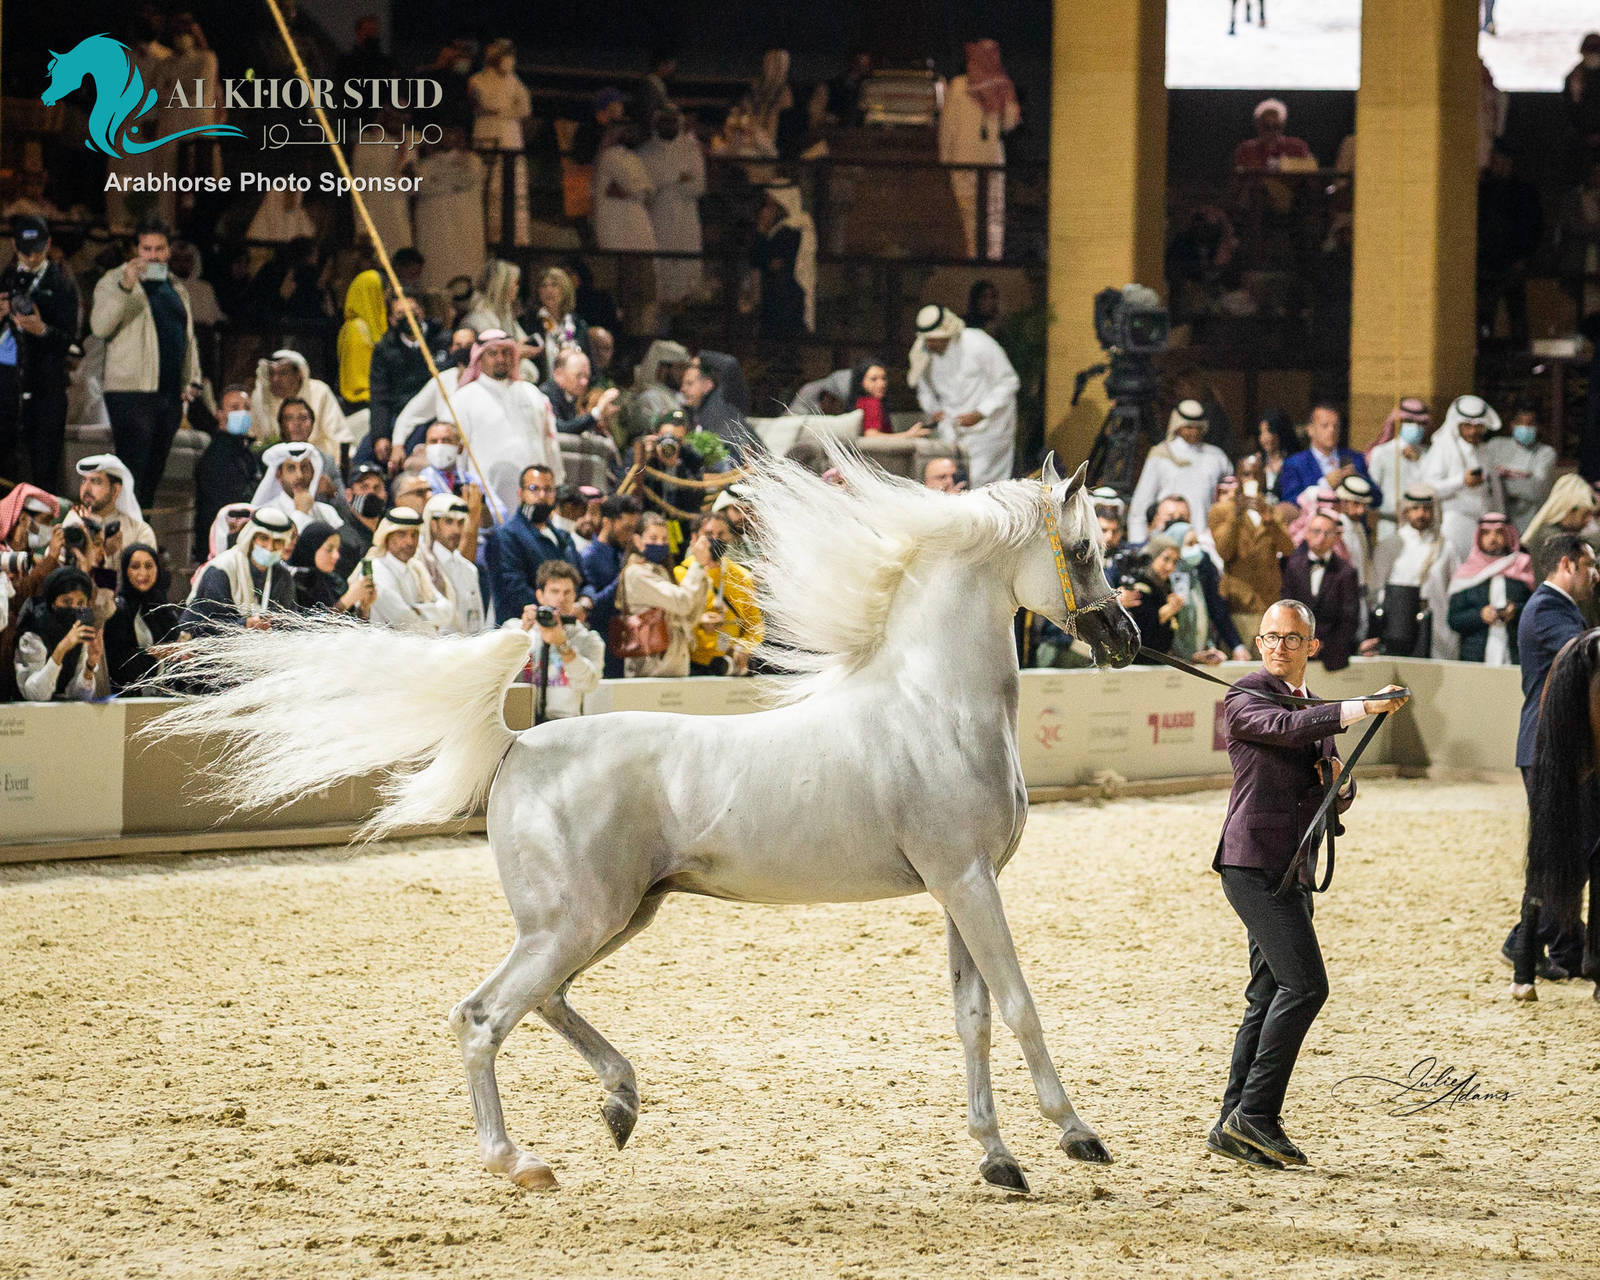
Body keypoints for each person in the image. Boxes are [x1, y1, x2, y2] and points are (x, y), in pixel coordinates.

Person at [1207, 598, 1408, 1170]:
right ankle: (1257, 1115)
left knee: (1269, 992)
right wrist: (1361, 706)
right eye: (1271, 637)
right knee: (1306, 987)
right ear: (1259, 643)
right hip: (1252, 864)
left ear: (1311, 646)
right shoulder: (1245, 696)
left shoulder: (1313, 706)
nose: (1279, 646)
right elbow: (1284, 728)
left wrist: (1340, 787)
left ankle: (1232, 1122)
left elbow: (1326, 778)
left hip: (1291, 866)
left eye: (1292, 638)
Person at [1506, 533, 1598, 987]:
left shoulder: (1560, 609)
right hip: (1547, 745)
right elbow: (1583, 655)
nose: (1595, 575)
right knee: (1572, 849)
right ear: (1567, 564)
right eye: (1590, 565)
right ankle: (1523, 940)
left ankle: (1565, 946)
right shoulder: (1546, 609)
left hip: (1562, 744)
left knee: (1578, 847)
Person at [91, 217, 202, 504]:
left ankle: (142, 532)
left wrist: (192, 379)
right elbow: (100, 327)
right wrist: (126, 286)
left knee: (153, 475)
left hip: (168, 395)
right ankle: (123, 531)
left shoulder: (175, 286)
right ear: (136, 250)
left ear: (168, 250)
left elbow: (187, 337)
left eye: (159, 249)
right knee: (131, 474)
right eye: (146, 249)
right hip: (131, 393)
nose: (153, 256)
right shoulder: (113, 281)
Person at [0, 216, 80, 490]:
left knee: (44, 471)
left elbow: (71, 342)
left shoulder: (62, 285)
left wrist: (42, 330)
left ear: (48, 244)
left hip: (46, 387)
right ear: (14, 245)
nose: (32, 257)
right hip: (6, 386)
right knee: (5, 470)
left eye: (37, 250)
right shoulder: (5, 280)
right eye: (25, 251)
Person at [452, 329, 563, 523]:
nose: (501, 359)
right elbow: (459, 453)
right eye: (493, 353)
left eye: (506, 352)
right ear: (479, 357)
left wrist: (557, 481)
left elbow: (549, 441)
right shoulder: (463, 398)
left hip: (534, 493)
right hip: (488, 495)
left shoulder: (532, 393)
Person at [908, 304, 1020, 489]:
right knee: (951, 483)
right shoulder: (924, 349)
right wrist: (933, 409)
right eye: (928, 340)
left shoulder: (978, 342)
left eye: (936, 340)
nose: (932, 345)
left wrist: (980, 413)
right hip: (951, 430)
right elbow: (923, 387)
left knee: (981, 484)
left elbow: (1008, 381)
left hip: (987, 430)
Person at [940, 40, 1020, 260]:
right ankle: (987, 260)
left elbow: (947, 128)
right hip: (986, 161)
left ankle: (977, 259)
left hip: (967, 160)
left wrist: (944, 160)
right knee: (988, 214)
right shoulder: (999, 85)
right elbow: (1009, 124)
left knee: (972, 214)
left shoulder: (961, 85)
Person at [1210, 458, 1296, 654]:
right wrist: (1236, 515)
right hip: (1239, 604)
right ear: (1238, 478)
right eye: (1246, 474)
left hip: (1269, 603)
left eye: (1257, 474)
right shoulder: (1221, 510)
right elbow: (1224, 552)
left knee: (1270, 665)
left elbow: (1288, 549)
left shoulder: (1272, 511)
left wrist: (1270, 521)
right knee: (1240, 669)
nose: (1252, 479)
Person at [1366, 486, 1459, 659]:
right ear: (1406, 511)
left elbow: (1455, 590)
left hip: (1437, 626)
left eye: (1426, 509)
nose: (1421, 514)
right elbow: (1376, 588)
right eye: (1415, 508)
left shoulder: (1446, 548)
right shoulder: (1391, 544)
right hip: (1397, 626)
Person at [486, 465, 585, 625]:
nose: (542, 495)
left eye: (548, 490)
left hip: (564, 626)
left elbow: (583, 578)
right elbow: (513, 589)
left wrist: (585, 602)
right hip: (523, 627)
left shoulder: (563, 537)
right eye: (534, 489)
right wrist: (558, 608)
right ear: (520, 493)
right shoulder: (506, 536)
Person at [618, 512, 711, 677]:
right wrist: (697, 564)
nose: (660, 544)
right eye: (653, 538)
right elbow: (682, 603)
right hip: (650, 669)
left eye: (664, 539)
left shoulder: (662, 571)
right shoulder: (635, 574)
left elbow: (689, 614)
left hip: (675, 664)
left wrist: (702, 571)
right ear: (638, 541)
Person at [507, 560, 603, 718]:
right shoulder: (515, 630)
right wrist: (522, 632)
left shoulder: (588, 639)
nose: (561, 598)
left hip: (565, 724)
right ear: (540, 595)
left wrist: (563, 645)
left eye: (567, 592)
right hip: (522, 720)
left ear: (575, 596)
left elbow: (589, 684)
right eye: (554, 591)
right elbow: (495, 673)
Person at [1127, 400, 1233, 542]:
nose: (1194, 431)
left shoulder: (1217, 457)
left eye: (1198, 427)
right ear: (1177, 426)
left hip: (1203, 539)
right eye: (1189, 427)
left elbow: (1229, 496)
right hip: (1165, 540)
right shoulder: (1160, 455)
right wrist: (1137, 544)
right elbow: (1140, 507)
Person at [181, 507, 297, 634]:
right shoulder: (221, 570)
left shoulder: (283, 577)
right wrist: (244, 624)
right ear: (252, 538)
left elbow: (288, 622)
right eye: (264, 538)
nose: (270, 547)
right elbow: (206, 624)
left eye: (277, 542)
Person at [675, 511, 763, 675]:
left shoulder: (741, 577)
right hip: (690, 664)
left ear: (729, 537)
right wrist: (697, 620)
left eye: (721, 534)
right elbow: (672, 623)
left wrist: (743, 647)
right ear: (694, 538)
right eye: (709, 534)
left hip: (729, 663)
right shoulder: (679, 574)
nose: (715, 539)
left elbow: (755, 627)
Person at [366, 296, 445, 470]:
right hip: (397, 414)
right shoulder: (385, 349)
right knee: (365, 458)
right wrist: (380, 436)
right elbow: (379, 397)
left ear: (421, 312)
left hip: (431, 416)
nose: (409, 317)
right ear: (392, 319)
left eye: (413, 311)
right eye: (401, 314)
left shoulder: (441, 340)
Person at [638, 107, 706, 309]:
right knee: (660, 266)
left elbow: (698, 186)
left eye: (672, 121)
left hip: (686, 218)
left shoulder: (691, 151)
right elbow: (646, 188)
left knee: (686, 265)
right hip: (657, 218)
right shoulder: (645, 153)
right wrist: (678, 179)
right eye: (664, 121)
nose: (668, 125)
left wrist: (666, 182)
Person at [593, 121, 658, 329]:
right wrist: (634, 191)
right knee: (620, 290)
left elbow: (647, 191)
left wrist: (632, 191)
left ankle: (636, 333)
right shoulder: (609, 156)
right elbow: (636, 188)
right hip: (617, 234)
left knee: (640, 290)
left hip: (637, 232)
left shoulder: (633, 157)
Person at [1447, 513, 1535, 664]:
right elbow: (1454, 620)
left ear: (1508, 535)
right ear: (1479, 537)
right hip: (1475, 658)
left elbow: (1534, 613)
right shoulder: (1466, 574)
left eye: (1499, 533)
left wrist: (1515, 611)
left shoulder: (1521, 567)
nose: (1492, 538)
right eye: (1486, 533)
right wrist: (1480, 615)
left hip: (1515, 656)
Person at [1279, 510, 1361, 672]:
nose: (1321, 538)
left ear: (1336, 537)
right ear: (1307, 533)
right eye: (1317, 531)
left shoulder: (1346, 572)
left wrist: (1323, 645)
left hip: (1332, 657)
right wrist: (1300, 642)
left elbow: (1350, 618)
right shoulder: (1292, 566)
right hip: (1294, 653)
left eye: (1327, 533)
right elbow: (1286, 610)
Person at [12, 565, 108, 702]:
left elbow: (80, 696)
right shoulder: (33, 632)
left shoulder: (80, 629)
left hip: (62, 712)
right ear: (53, 603)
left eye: (81, 603)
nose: (74, 608)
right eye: (66, 602)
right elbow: (35, 696)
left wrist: (90, 665)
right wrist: (62, 649)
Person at [1421, 394, 1499, 560]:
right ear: (1457, 425)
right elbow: (1428, 488)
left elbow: (1495, 491)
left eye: (1478, 426)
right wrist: (1461, 481)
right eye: (1467, 426)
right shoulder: (1443, 448)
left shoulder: (1485, 451)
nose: (1473, 431)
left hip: (1484, 525)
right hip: (1454, 523)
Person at [470, 38, 532, 248]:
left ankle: (514, 239)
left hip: (510, 137)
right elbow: (482, 103)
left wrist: (507, 112)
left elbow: (525, 108)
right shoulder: (477, 80)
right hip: (486, 136)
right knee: (487, 190)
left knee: (511, 190)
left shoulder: (514, 82)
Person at [193, 388, 263, 562]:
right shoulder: (215, 456)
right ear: (220, 414)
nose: (243, 412)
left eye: (247, 407)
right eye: (235, 407)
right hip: (221, 544)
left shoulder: (246, 452)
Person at [413, 127, 487, 291]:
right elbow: (418, 186)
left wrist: (431, 182)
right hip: (434, 232)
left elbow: (460, 180)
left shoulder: (472, 161)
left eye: (451, 132)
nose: (446, 137)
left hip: (464, 232)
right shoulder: (424, 165)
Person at [103, 543, 180, 692]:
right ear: (125, 571)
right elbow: (118, 663)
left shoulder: (163, 607)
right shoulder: (119, 610)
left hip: (165, 695)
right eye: (135, 566)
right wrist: (155, 653)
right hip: (129, 697)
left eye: (149, 566)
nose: (143, 572)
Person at [366, 507, 456, 635]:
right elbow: (402, 619)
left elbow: (447, 610)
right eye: (402, 534)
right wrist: (431, 624)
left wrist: (417, 610)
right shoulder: (377, 569)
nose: (410, 542)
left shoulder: (416, 569)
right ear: (387, 537)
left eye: (414, 535)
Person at [249, 349, 350, 456]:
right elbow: (254, 438)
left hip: (318, 455)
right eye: (271, 373)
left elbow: (339, 436)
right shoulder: (261, 397)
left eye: (283, 373)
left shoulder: (319, 391)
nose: (275, 379)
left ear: (299, 374)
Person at [1278, 404, 1379, 510]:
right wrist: (1324, 485)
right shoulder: (1295, 463)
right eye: (1325, 426)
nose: (1331, 430)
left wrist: (1359, 480)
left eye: (1336, 426)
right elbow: (1290, 502)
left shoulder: (1355, 458)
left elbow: (1377, 499)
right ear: (1310, 429)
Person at [1364, 397, 1433, 540]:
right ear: (1398, 422)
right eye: (1409, 421)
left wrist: (1419, 461)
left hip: (1422, 526)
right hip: (1389, 524)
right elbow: (1371, 494)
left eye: (1420, 423)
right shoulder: (1381, 452)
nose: (1416, 427)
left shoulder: (1429, 454)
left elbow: (1433, 486)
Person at [1481, 404, 1557, 534]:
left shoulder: (1546, 453)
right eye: (1520, 423)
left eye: (1530, 424)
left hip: (1529, 523)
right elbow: (1484, 482)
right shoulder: (1495, 445)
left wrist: (1499, 481)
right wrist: (1522, 479)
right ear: (1512, 425)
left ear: (1538, 427)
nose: (1525, 427)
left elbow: (1536, 490)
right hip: (1496, 523)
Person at [752, 183, 815, 336]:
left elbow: (771, 262)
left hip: (784, 297)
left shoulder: (790, 229)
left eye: (771, 205)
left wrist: (762, 231)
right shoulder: (779, 228)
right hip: (776, 297)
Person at [420, 492, 485, 635]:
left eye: (460, 523)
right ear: (433, 524)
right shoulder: (421, 566)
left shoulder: (469, 570)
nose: (456, 530)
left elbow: (477, 622)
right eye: (449, 522)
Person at [66, 453, 158, 554]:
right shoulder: (72, 522)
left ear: (115, 490)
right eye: (83, 480)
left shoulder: (139, 531)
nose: (86, 488)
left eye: (95, 481)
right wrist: (105, 552)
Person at [680, 352, 760, 464]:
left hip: (747, 464)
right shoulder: (690, 413)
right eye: (682, 384)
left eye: (689, 383)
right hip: (718, 466)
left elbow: (730, 364)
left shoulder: (726, 397)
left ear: (707, 385)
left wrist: (701, 357)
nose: (683, 389)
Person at [1114, 536, 1184, 662]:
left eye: (1175, 562)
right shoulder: (1137, 585)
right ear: (1152, 557)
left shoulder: (1165, 586)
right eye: (1166, 559)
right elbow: (1140, 631)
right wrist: (1165, 613)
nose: (1170, 567)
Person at [287, 520, 373, 618]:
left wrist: (364, 607)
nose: (336, 556)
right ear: (312, 548)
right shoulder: (294, 581)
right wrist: (347, 601)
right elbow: (311, 624)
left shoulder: (333, 582)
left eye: (337, 549)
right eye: (329, 549)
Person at [253, 441, 342, 533]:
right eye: (291, 468)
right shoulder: (268, 512)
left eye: (304, 467)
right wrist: (301, 513)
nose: (300, 475)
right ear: (279, 475)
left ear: (313, 472)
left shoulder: (327, 511)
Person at [620, 338, 690, 454]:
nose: (683, 374)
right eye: (679, 368)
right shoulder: (649, 398)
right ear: (663, 369)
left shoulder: (678, 396)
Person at [525, 267, 590, 383]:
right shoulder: (531, 323)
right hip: (542, 387)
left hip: (573, 387)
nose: (548, 290)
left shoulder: (577, 324)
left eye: (554, 285)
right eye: (544, 286)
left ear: (565, 290)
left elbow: (590, 363)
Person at [542, 346, 620, 440]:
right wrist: (597, 410)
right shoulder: (546, 394)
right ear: (559, 375)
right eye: (578, 376)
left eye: (587, 376)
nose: (584, 382)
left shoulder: (572, 396)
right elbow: (559, 428)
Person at [336, 269, 387, 408]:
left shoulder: (368, 326)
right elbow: (358, 383)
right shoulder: (357, 329)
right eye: (381, 293)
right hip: (363, 403)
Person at [1523, 474, 1599, 563]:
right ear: (1569, 511)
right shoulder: (1549, 536)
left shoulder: (1552, 531)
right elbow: (1581, 547)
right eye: (1585, 515)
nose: (1588, 520)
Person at [1232, 98, 1314, 171]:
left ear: (1283, 125)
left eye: (1276, 126)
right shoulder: (1246, 150)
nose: (1271, 131)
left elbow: (1310, 176)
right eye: (1266, 126)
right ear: (1258, 125)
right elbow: (1238, 179)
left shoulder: (1297, 147)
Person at [1246, 410, 1295, 502]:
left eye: (1269, 431)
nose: (1264, 438)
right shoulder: (1256, 461)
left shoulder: (1293, 461)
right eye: (1261, 433)